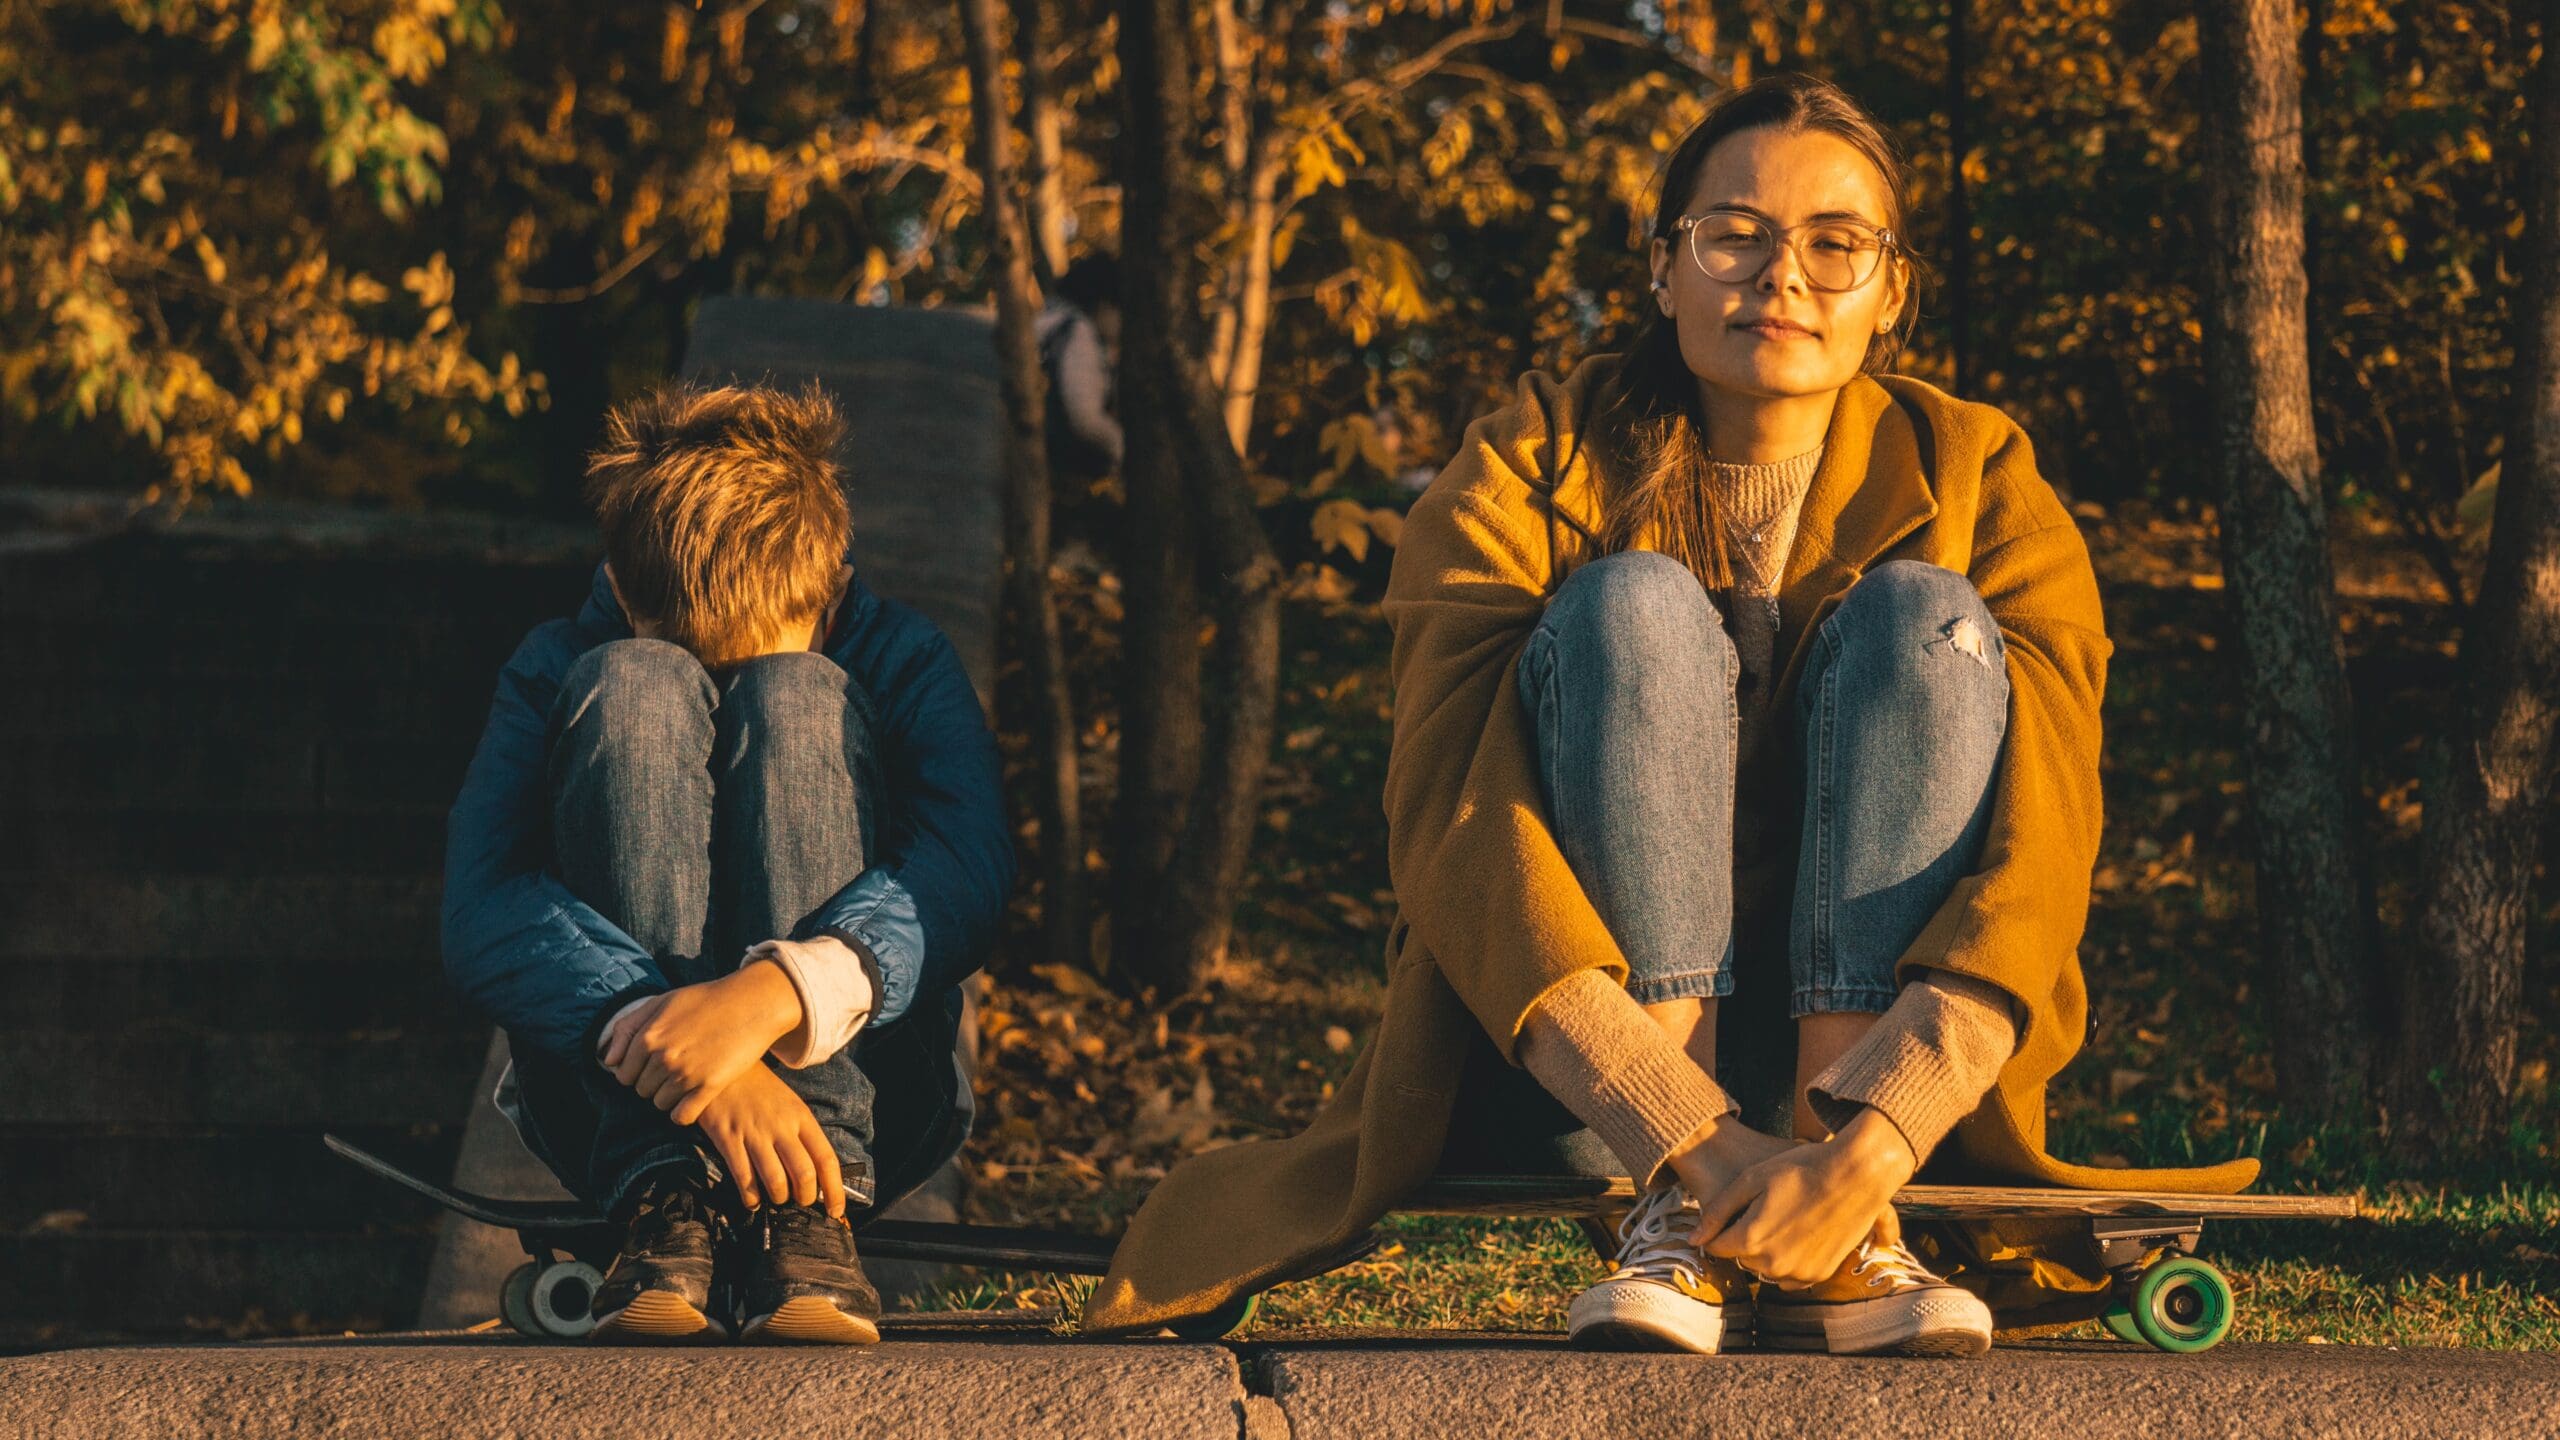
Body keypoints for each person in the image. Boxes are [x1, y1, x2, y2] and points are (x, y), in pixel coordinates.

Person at [1080, 74, 2254, 1354]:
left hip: (1875, 1110)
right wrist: (1679, 1129)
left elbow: (2044, 849)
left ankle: (1849, 1230)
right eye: (1733, 236)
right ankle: (1679, 1218)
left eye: (1833, 245)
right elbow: (1455, 834)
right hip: (1587, 1080)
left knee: (1927, 611)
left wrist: (1875, 1143)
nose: (1782, 277)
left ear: (1891, 290)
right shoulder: (1529, 460)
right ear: (1661, 268)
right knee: (1629, 605)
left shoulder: (1986, 473)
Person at [441, 382, 1013, 1344]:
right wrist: (686, 1050)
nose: (714, 695)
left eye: (737, 663)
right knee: (631, 688)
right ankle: (665, 1191)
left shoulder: (901, 658)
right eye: (697, 662)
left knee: (797, 699)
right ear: (625, 589)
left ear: (828, 588)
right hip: (615, 1103)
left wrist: (776, 999)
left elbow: (966, 870)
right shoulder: (560, 663)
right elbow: (483, 904)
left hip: (867, 1094)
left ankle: (807, 1212)